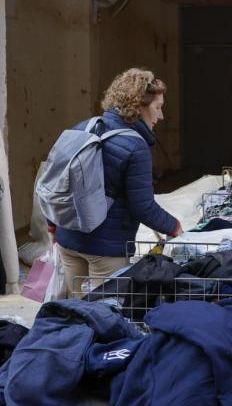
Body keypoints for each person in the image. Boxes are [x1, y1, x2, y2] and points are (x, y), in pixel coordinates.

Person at [53, 68, 183, 293]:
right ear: (139, 106)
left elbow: (56, 180)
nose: (161, 116)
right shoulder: (136, 146)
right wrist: (175, 227)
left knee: (74, 311)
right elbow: (142, 207)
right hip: (106, 249)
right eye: (158, 108)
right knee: (104, 316)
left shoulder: (83, 127)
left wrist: (51, 223)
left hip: (68, 239)